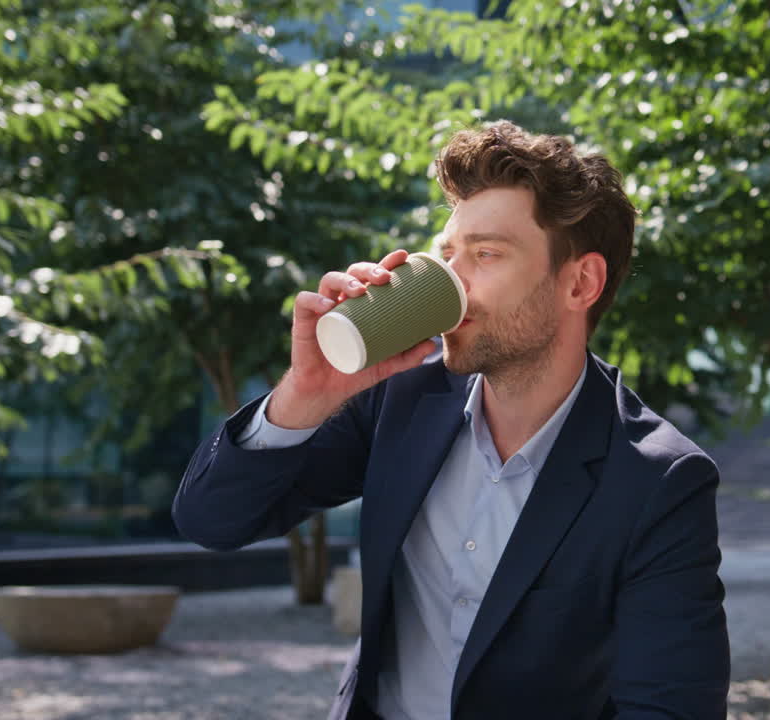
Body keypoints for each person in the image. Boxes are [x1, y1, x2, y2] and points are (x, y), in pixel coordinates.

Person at [172, 121, 730, 720]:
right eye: (446, 255)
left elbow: (668, 708)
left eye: (485, 254)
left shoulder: (658, 481)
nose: (451, 284)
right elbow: (212, 521)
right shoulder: (400, 397)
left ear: (580, 282)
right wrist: (305, 396)